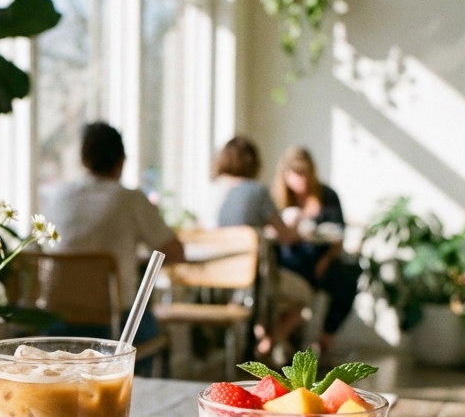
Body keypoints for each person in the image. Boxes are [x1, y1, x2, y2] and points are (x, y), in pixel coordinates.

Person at [38, 122, 184, 374]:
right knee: (153, 327)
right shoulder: (130, 199)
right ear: (121, 160)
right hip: (115, 328)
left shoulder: (57, 197)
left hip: (56, 324)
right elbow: (175, 252)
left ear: (83, 159)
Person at [209, 136, 313, 360]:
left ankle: (260, 346)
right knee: (304, 296)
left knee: (268, 300)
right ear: (253, 162)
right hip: (250, 283)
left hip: (214, 284)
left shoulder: (212, 190)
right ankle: (264, 349)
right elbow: (285, 236)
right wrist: (296, 230)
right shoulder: (256, 191)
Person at [270, 146, 359, 355]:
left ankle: (324, 339)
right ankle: (278, 341)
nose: (302, 181)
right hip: (289, 262)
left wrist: (326, 260)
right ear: (286, 176)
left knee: (348, 276)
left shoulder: (327, 196)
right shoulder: (278, 201)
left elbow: (338, 236)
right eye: (297, 175)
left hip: (321, 260)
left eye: (306, 174)